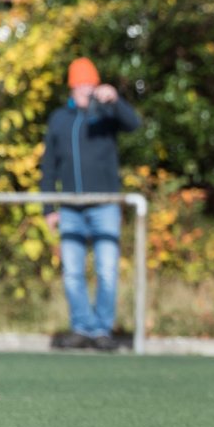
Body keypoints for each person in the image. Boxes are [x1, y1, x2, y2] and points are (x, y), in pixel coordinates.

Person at [39, 57, 141, 351]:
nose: (86, 89)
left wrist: (116, 100)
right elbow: (49, 166)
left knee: (106, 270)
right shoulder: (59, 119)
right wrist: (49, 209)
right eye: (81, 85)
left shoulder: (107, 115)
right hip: (70, 209)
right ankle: (81, 328)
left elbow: (133, 124)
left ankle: (102, 331)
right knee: (72, 271)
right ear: (72, 88)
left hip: (105, 206)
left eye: (90, 85)